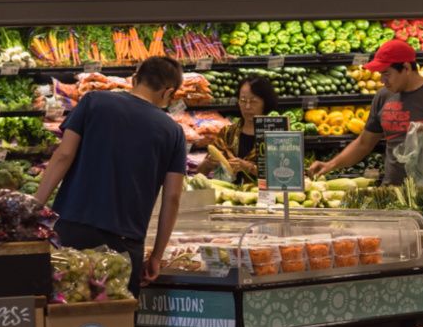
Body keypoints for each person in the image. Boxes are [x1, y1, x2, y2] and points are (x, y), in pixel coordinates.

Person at [34, 56, 188, 295]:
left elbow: (63, 156)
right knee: (115, 320)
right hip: (125, 240)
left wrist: (34, 211)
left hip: (73, 226)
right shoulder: (173, 132)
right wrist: (156, 255)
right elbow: (173, 197)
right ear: (168, 92)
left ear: (135, 79)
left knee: (64, 311)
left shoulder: (93, 102)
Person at [309, 37, 423, 185]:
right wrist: (330, 165)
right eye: (380, 74)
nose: (382, 80)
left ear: (406, 68)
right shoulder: (383, 96)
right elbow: (364, 144)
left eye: (387, 74)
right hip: (393, 191)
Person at [216, 76, 278, 180]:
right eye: (243, 101)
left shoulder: (277, 135)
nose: (247, 107)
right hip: (229, 193)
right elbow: (201, 171)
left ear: (265, 102)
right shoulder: (227, 133)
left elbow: (288, 173)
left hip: (265, 194)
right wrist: (208, 164)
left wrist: (250, 168)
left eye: (253, 101)